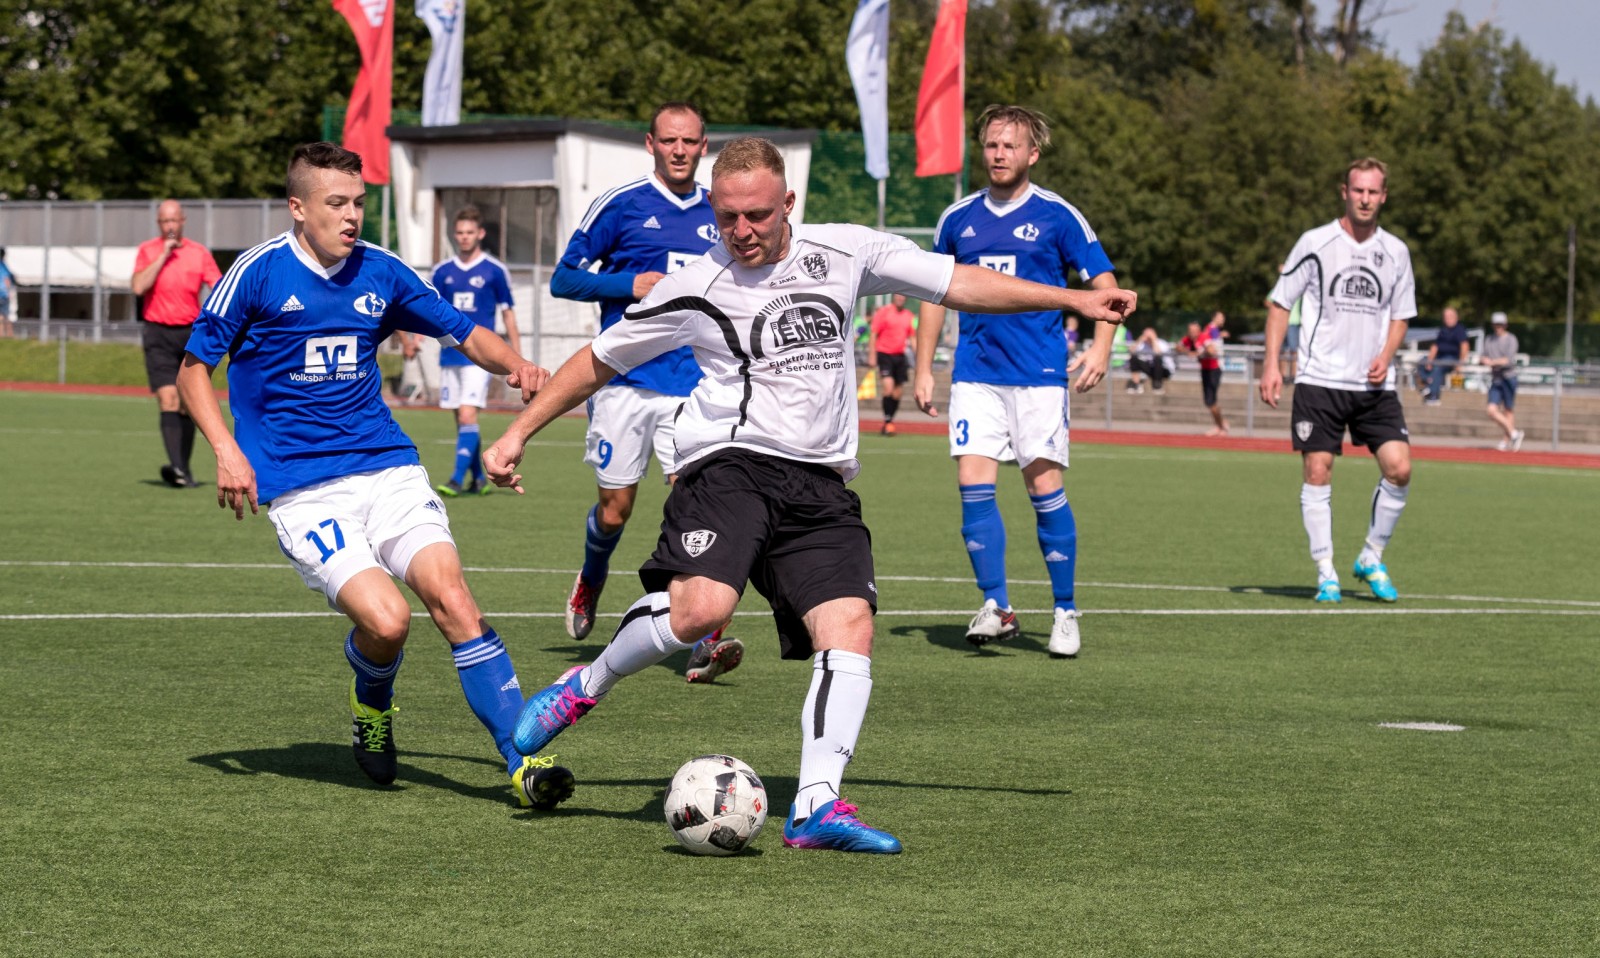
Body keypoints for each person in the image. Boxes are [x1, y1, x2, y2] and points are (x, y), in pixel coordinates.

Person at [481, 136, 1136, 853]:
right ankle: (587, 684)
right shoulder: (695, 284)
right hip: (730, 463)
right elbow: (596, 362)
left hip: (820, 482)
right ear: (712, 210)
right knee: (703, 612)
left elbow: (959, 282)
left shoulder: (846, 250)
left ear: (787, 202)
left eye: (758, 215)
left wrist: (1077, 297)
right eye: (728, 218)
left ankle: (817, 806)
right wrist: (518, 435)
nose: (743, 231)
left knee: (850, 625)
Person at [174, 142, 567, 810]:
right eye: (336, 204)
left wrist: (518, 368)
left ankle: (523, 761)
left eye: (358, 202)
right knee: (387, 623)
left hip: (386, 468)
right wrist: (224, 448)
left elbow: (465, 333)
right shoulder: (258, 274)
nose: (352, 215)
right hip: (302, 489)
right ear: (298, 209)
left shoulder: (382, 272)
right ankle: (371, 702)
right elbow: (191, 369)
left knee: (453, 599)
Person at [911, 105, 1122, 659]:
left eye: (1011, 145)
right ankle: (997, 605)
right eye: (991, 145)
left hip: (1039, 376)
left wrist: (1101, 347)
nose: (999, 154)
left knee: (1043, 490)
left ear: (1033, 153)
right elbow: (936, 292)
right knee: (972, 487)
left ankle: (1065, 611)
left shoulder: (1058, 216)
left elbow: (1107, 286)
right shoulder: (957, 219)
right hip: (976, 375)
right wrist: (923, 365)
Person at [548, 102, 743, 684]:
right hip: (625, 383)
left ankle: (704, 637)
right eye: (668, 140)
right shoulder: (621, 204)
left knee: (696, 502)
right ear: (650, 144)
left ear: (704, 145)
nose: (679, 150)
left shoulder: (720, 210)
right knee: (616, 510)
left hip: (694, 385)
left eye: (689, 141)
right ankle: (592, 575)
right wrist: (625, 282)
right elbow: (564, 278)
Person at [1261, 157, 1417, 604]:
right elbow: (1279, 304)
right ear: (1344, 193)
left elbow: (1402, 315)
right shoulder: (1315, 242)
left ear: (1383, 196)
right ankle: (1326, 571)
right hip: (1319, 380)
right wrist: (1272, 363)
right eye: (1358, 191)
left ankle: (1371, 555)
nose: (1365, 199)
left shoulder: (1397, 252)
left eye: (1373, 192)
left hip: (1374, 387)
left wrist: (1386, 355)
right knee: (1317, 470)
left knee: (1400, 468)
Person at [408, 205, 519, 497]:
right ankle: (478, 478)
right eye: (460, 232)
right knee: (461, 419)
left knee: (469, 415)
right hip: (450, 354)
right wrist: (417, 339)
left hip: (480, 357)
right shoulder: (442, 271)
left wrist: (517, 358)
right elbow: (428, 311)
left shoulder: (495, 270)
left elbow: (508, 314)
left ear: (480, 234)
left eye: (470, 232)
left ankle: (456, 479)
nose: (464, 237)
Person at [132, 200, 222, 488]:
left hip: (189, 333)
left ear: (183, 221)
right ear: (159, 224)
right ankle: (178, 468)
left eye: (174, 220)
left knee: (186, 403)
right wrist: (162, 256)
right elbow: (137, 287)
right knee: (168, 398)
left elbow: (219, 287)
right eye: (164, 221)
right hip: (157, 333)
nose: (169, 226)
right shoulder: (148, 251)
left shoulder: (199, 253)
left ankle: (182, 470)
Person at [868, 293, 916, 433]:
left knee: (897, 393)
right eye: (898, 295)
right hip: (884, 354)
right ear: (894, 297)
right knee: (888, 388)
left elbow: (912, 337)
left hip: (900, 356)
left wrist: (919, 357)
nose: (901, 298)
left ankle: (890, 420)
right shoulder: (884, 312)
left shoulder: (909, 315)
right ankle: (887, 421)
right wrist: (872, 355)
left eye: (903, 296)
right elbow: (873, 334)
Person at [1179, 316, 1229, 436]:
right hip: (1205, 370)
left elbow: (1212, 351)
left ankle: (1221, 425)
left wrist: (1199, 352)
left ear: (1198, 330)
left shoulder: (1204, 337)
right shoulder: (1189, 339)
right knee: (1209, 402)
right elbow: (1178, 346)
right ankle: (1221, 424)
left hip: (1214, 369)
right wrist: (1188, 352)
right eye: (1190, 332)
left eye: (1194, 331)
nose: (1192, 334)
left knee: (1211, 401)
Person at [1481, 312, 1524, 451]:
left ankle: (1507, 440)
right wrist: (1484, 360)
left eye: (1500, 324)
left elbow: (1508, 360)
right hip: (1496, 379)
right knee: (1491, 410)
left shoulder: (1511, 339)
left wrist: (1493, 362)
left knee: (1508, 410)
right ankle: (1514, 433)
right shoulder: (1489, 339)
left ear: (1505, 325)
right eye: (1496, 324)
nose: (1498, 327)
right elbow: (1483, 356)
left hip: (1508, 378)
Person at [1421, 306, 1469, 405]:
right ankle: (1429, 384)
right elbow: (1435, 346)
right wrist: (1429, 360)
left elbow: (1464, 346)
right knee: (1422, 361)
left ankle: (1434, 396)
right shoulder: (1443, 330)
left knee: (1438, 366)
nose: (1447, 319)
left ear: (1456, 317)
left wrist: (1460, 363)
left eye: (1450, 316)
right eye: (1445, 316)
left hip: (1452, 358)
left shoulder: (1459, 329)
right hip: (1440, 357)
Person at [1126, 327, 1171, 394]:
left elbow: (1158, 353)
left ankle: (1157, 385)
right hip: (1150, 368)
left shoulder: (1162, 343)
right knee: (1134, 357)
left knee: (1157, 359)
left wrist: (1153, 340)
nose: (1147, 338)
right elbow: (1131, 351)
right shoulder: (1142, 344)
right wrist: (1139, 340)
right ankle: (1136, 383)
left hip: (1164, 369)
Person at [0, 247, 14, 338]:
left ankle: (3, 335)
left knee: (2, 316)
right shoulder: (4, 266)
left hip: (2, 294)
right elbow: (9, 279)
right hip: (5, 294)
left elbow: (7, 280)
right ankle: (9, 335)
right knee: (5, 315)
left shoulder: (3, 267)